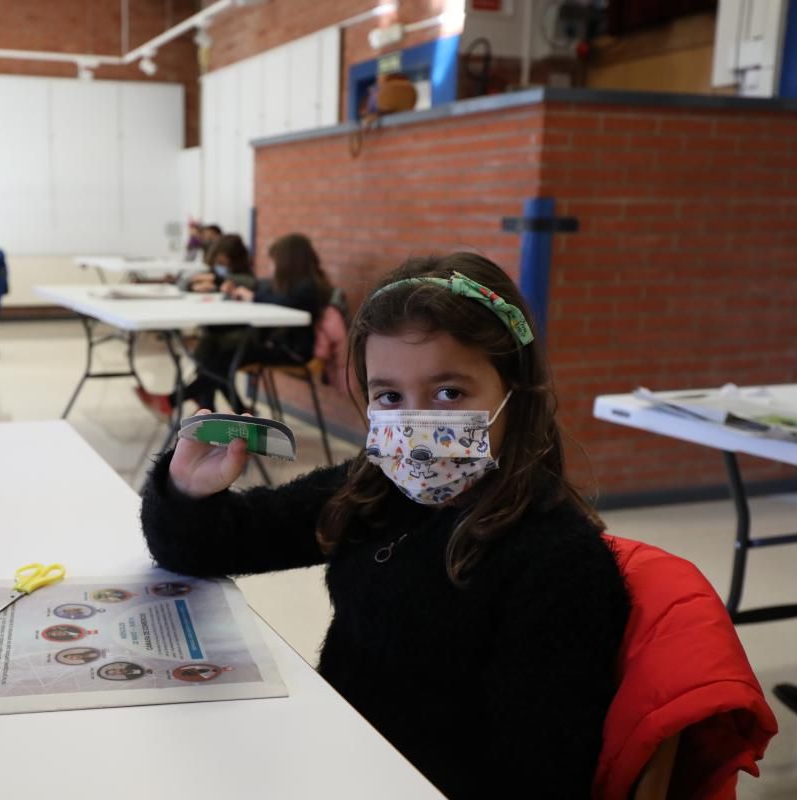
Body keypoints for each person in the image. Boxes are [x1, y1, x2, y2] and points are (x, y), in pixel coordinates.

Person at [140, 252, 630, 799]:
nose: (416, 423)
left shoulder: (557, 562)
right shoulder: (373, 491)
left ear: (517, 396)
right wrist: (188, 492)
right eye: (390, 396)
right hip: (329, 756)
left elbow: (538, 777)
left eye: (450, 393)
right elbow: (210, 546)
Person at [152, 233, 331, 414]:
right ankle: (226, 409)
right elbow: (267, 290)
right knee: (215, 354)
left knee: (220, 360)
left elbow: (285, 301)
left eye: (275, 262)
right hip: (279, 345)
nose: (272, 267)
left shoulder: (308, 288)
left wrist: (252, 295)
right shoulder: (295, 284)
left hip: (293, 352)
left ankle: (178, 401)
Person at [185, 233, 253, 294]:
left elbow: (251, 282)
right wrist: (193, 287)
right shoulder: (214, 272)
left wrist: (216, 280)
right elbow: (184, 282)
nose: (218, 266)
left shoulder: (245, 276)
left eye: (221, 263)